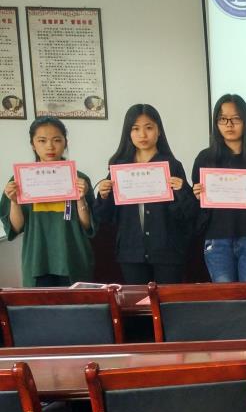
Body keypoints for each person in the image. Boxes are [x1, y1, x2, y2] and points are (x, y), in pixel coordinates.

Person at [95, 104, 197, 284]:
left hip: (167, 251)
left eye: (148, 128)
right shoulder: (119, 166)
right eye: (135, 129)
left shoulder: (172, 165)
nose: (142, 134)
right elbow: (105, 216)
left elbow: (188, 214)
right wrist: (103, 195)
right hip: (131, 250)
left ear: (159, 131)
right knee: (138, 300)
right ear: (128, 133)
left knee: (167, 300)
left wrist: (181, 191)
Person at [191, 94, 246, 283]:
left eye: (236, 119)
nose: (229, 125)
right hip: (217, 240)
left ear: (245, 121)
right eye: (223, 119)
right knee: (226, 298)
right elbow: (197, 207)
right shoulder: (205, 158)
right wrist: (197, 195)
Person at [1, 117, 95, 286]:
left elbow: (88, 225)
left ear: (65, 142)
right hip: (38, 259)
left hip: (72, 257)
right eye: (42, 141)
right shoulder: (21, 179)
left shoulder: (79, 179)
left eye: (57, 140)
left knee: (76, 302)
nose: (50, 146)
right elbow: (16, 227)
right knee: (40, 303)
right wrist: (14, 202)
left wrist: (81, 197)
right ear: (32, 144)